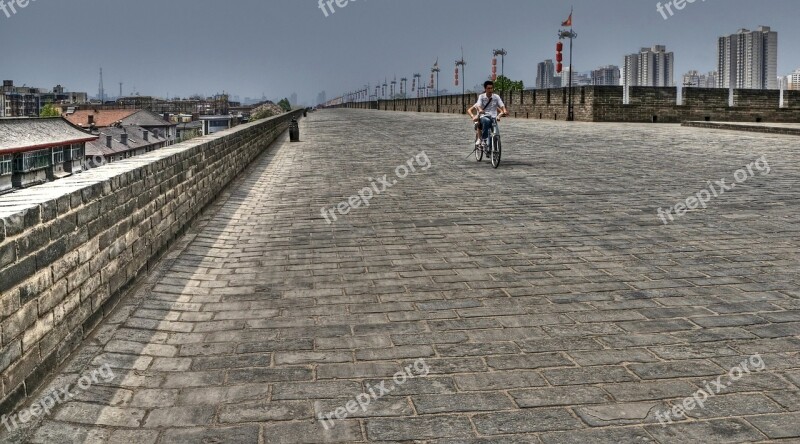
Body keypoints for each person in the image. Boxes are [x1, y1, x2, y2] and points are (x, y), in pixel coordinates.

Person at [467, 81, 508, 151]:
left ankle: (494, 151)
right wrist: (475, 113)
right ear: (485, 89)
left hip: (493, 117)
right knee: (486, 121)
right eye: (488, 88)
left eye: (491, 88)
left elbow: (501, 105)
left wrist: (504, 111)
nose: (490, 90)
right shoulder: (481, 97)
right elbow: (478, 105)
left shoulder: (496, 97)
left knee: (496, 134)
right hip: (484, 116)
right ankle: (483, 139)